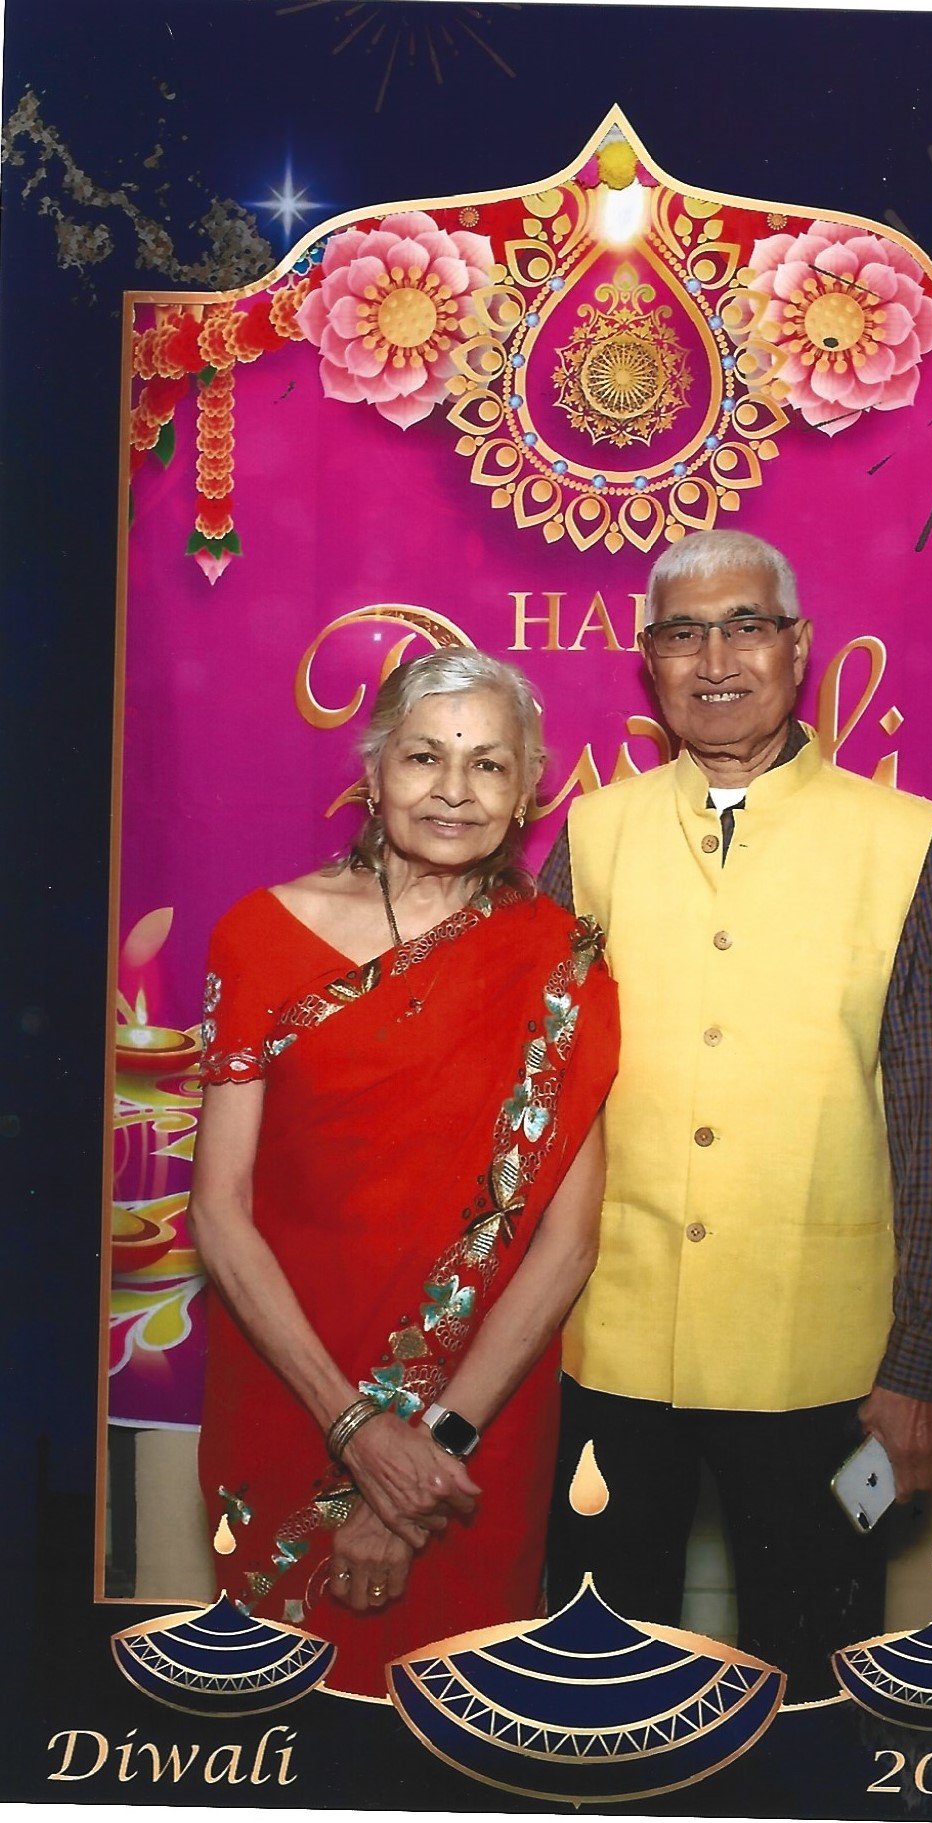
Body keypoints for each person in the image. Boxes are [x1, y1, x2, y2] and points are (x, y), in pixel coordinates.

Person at [542, 530, 932, 1699]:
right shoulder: (591, 835)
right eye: (683, 633)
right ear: (649, 660)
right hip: (610, 1344)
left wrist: (918, 1360)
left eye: (745, 626)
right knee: (596, 1687)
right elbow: (538, 1085)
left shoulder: (895, 838)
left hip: (826, 1362)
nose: (715, 659)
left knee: (815, 1682)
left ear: (798, 646)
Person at [190, 650, 618, 1698]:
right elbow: (219, 1210)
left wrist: (424, 1455)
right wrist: (352, 1427)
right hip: (289, 1390)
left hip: (473, 1427)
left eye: (488, 764)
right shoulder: (260, 935)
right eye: (425, 757)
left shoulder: (561, 962)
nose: (454, 790)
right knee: (280, 1719)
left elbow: (566, 1243)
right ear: (374, 770)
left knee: (459, 1721)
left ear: (528, 791)